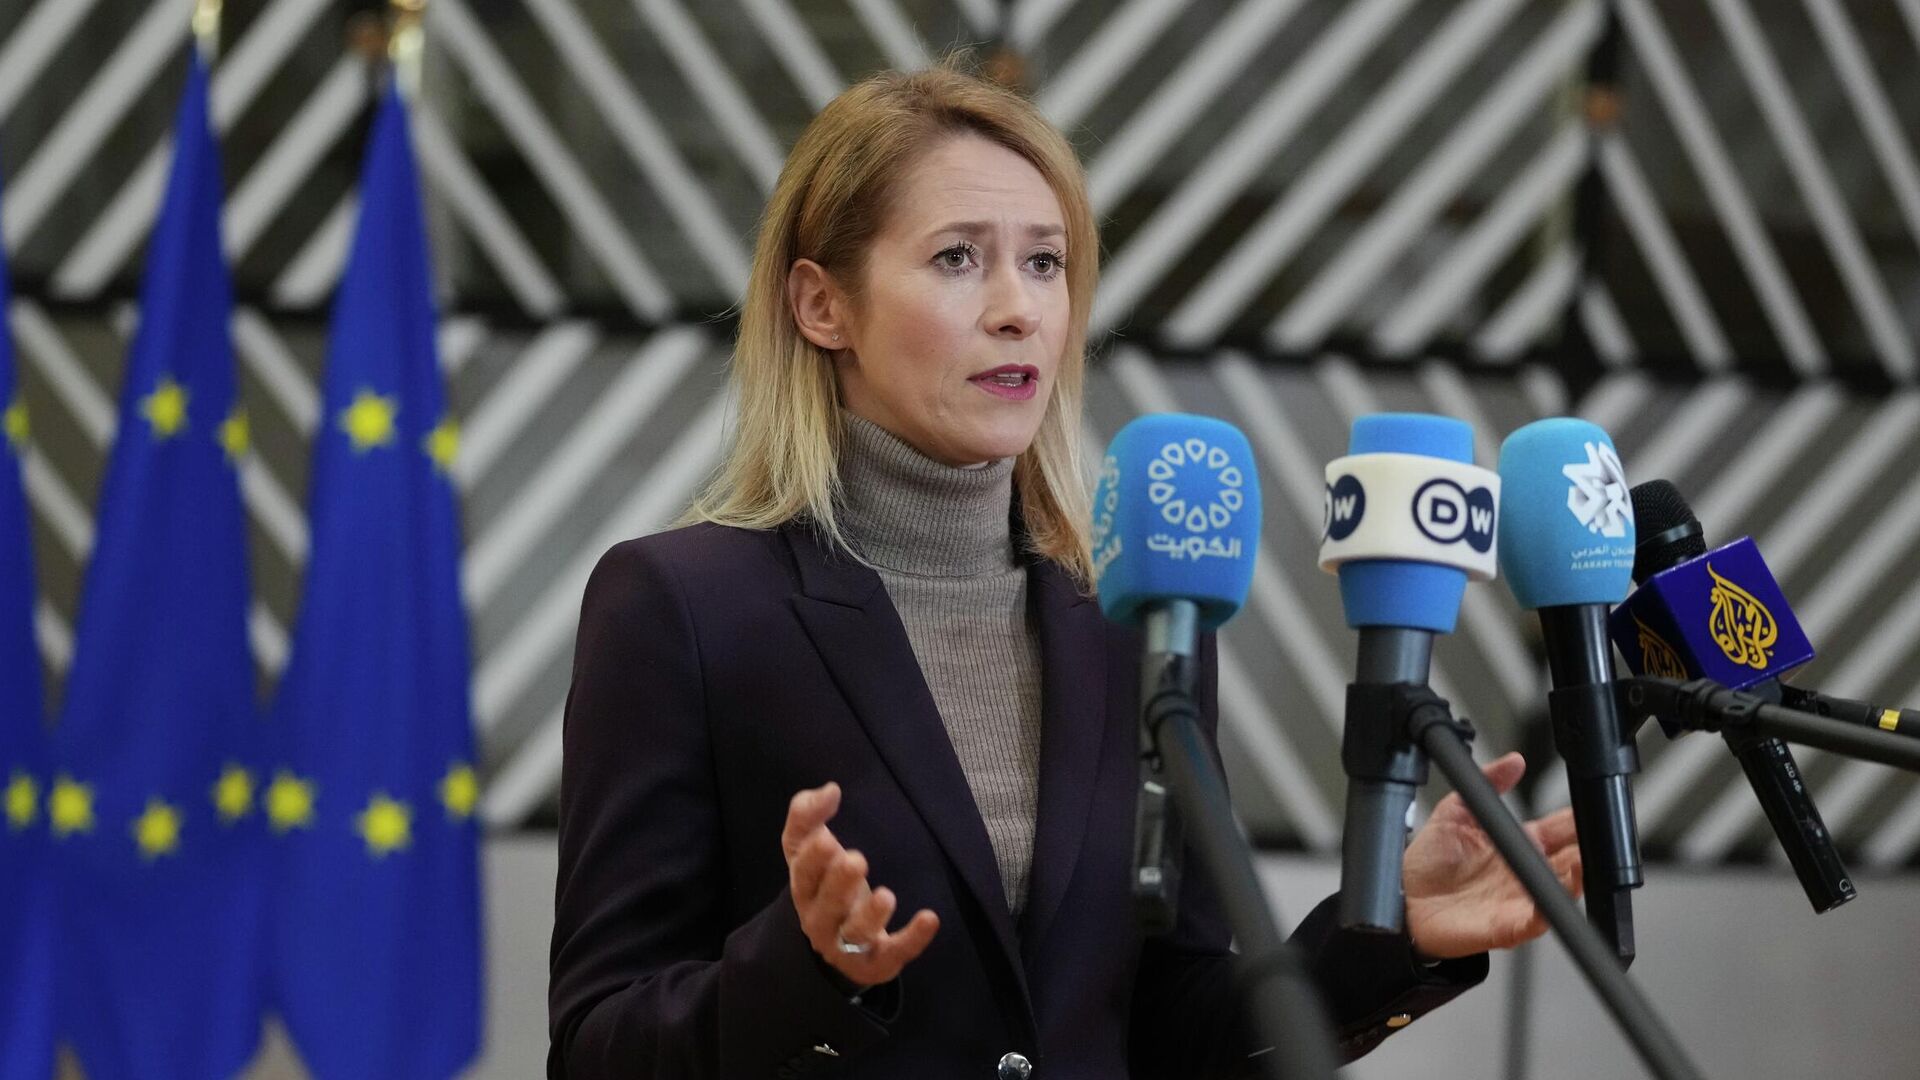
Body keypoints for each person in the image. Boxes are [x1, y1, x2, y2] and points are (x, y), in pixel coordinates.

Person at [547, 59, 1581, 1080]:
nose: (1020, 309)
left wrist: (1387, 934)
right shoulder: (684, 608)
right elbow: (597, 1046)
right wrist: (801, 971)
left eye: (1045, 262)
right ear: (823, 307)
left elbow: (1170, 1028)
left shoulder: (1135, 616)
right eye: (958, 257)